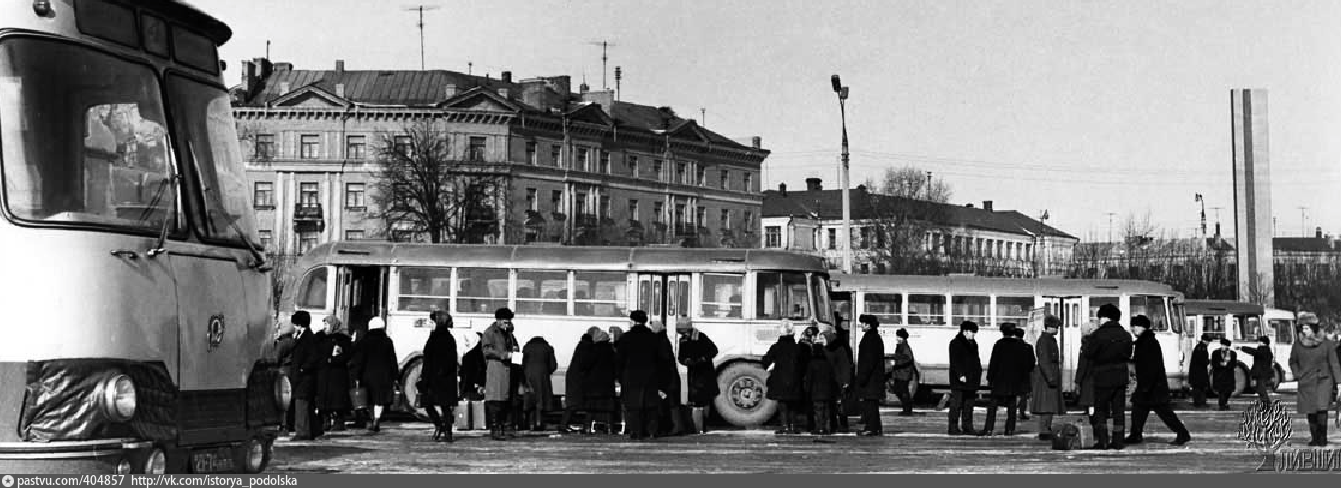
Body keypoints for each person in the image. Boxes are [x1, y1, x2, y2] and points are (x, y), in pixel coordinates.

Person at [1125, 315, 1191, 446]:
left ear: (1143, 327)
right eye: (1133, 326)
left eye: (1136, 326)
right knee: (1139, 410)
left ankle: (1182, 433)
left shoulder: (1148, 343)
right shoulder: (1145, 342)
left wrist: (1146, 386)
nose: (1134, 329)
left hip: (1152, 386)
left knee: (1164, 412)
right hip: (1149, 385)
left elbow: (1152, 366)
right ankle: (1135, 434)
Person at [614, 310, 674, 440]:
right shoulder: (653, 338)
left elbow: (619, 360)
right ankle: (652, 431)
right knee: (650, 405)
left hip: (631, 377)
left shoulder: (625, 338)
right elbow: (662, 360)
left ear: (633, 321)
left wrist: (619, 377)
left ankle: (636, 432)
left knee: (633, 406)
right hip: (651, 376)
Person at [1081, 304, 1133, 450]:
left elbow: (1088, 353)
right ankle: (1118, 441)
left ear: (1105, 317)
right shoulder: (1125, 335)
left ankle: (1103, 440)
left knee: (1101, 410)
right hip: (1120, 376)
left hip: (1102, 376)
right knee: (1118, 411)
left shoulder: (1098, 335)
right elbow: (1128, 354)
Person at [1289, 313, 1341, 447]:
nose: (1304, 331)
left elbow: (1334, 363)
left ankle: (1322, 438)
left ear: (1314, 328)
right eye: (1302, 328)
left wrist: (1339, 382)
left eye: (1306, 328)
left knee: (1321, 409)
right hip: (1306, 381)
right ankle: (1314, 437)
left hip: (1323, 381)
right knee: (1310, 410)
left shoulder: (1327, 344)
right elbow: (1293, 361)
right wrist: (1297, 374)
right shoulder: (1298, 345)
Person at [983, 323, 1033, 436]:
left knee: (993, 405)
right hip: (1014, 380)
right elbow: (1025, 365)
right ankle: (1010, 429)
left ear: (1002, 332)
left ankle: (989, 428)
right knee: (1012, 404)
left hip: (999, 380)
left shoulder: (998, 345)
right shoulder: (1020, 346)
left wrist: (989, 378)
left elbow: (993, 363)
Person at [349, 317, 398, 433]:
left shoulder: (364, 342)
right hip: (384, 375)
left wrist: (357, 375)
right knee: (379, 400)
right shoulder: (387, 341)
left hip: (368, 375)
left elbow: (359, 360)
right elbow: (392, 360)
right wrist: (395, 375)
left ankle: (371, 419)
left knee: (370, 399)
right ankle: (377, 419)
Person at [420, 311, 459, 442]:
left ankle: (440, 426)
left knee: (430, 404)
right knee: (445, 406)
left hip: (436, 378)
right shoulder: (447, 337)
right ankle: (447, 431)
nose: (429, 324)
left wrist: (428, 376)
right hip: (444, 378)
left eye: (432, 322)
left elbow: (428, 360)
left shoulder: (436, 338)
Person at [482, 308, 519, 441]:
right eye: (505, 322)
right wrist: (504, 354)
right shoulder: (490, 332)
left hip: (507, 370)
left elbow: (514, 345)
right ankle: (495, 428)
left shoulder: (508, 333)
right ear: (498, 321)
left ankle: (503, 427)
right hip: (496, 369)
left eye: (508, 322)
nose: (507, 324)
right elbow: (486, 351)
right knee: (495, 400)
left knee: (505, 401)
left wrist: (515, 349)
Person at [762, 320, 805, 435]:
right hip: (795, 379)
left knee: (783, 404)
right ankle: (793, 426)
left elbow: (765, 362)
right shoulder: (798, 348)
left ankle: (784, 426)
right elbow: (803, 364)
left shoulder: (776, 347)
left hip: (780, 380)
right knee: (793, 404)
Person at [679, 322, 720, 434]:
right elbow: (681, 356)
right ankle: (699, 428)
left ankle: (704, 426)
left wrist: (702, 359)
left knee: (704, 400)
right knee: (696, 402)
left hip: (704, 373)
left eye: (684, 332)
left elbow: (714, 351)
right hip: (693, 373)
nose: (683, 335)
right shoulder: (683, 340)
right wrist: (685, 361)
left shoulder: (701, 337)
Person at [288, 312, 323, 441]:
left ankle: (302, 432)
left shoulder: (308, 338)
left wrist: (303, 368)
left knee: (301, 404)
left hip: (305, 378)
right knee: (306, 405)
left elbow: (313, 356)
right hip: (303, 376)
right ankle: (314, 430)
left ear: (299, 324)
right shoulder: (303, 336)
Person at [316, 315, 353, 432]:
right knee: (324, 399)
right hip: (324, 374)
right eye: (325, 324)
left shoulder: (343, 339)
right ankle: (325, 421)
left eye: (327, 324)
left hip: (337, 374)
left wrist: (333, 360)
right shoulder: (320, 338)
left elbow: (347, 356)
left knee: (337, 400)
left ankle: (338, 421)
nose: (325, 327)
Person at [1030, 316, 1065, 441]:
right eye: (1057, 326)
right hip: (1046, 377)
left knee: (1048, 404)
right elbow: (1044, 361)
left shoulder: (1047, 339)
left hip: (1048, 375)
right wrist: (1050, 377)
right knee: (1046, 405)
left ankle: (1046, 428)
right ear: (1052, 326)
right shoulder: (1045, 340)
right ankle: (1044, 430)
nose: (1058, 329)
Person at [651, 320, 688, 436]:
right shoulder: (663, 339)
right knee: (671, 403)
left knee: (671, 404)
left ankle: (677, 427)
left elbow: (663, 362)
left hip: (667, 378)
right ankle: (675, 427)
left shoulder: (659, 341)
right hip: (670, 377)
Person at [947, 321, 982, 436]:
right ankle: (953, 428)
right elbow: (955, 361)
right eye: (972, 332)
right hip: (959, 381)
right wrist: (960, 375)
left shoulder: (973, 344)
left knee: (969, 404)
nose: (973, 335)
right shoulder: (955, 343)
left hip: (972, 379)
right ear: (965, 331)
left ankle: (968, 427)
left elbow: (976, 361)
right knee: (956, 404)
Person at [582, 327, 618, 434]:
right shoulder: (612, 351)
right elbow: (616, 366)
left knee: (591, 408)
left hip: (593, 384)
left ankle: (587, 428)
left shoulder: (592, 350)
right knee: (608, 408)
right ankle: (610, 428)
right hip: (607, 383)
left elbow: (585, 365)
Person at [855, 315, 886, 436]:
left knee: (869, 405)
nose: (861, 325)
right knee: (872, 404)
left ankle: (871, 428)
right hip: (874, 378)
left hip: (870, 379)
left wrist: (862, 378)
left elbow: (868, 361)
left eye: (863, 323)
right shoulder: (874, 337)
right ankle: (875, 427)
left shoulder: (870, 339)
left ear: (869, 325)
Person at [802, 326, 836, 435]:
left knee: (818, 410)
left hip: (816, 392)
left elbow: (809, 379)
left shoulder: (812, 364)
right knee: (826, 411)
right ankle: (827, 428)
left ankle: (819, 428)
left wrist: (807, 390)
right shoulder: (827, 363)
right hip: (827, 391)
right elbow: (832, 377)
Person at [559, 329, 594, 434]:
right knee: (581, 404)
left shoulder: (580, 348)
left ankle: (564, 425)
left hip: (574, 380)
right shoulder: (587, 349)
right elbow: (586, 365)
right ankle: (585, 427)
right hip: (579, 381)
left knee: (573, 405)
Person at [522, 335, 558, 431]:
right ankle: (539, 423)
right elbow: (553, 366)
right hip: (542, 378)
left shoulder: (526, 347)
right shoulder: (548, 348)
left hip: (528, 377)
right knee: (541, 400)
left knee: (529, 399)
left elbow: (522, 364)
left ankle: (527, 423)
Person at [824, 327, 854, 432]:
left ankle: (834, 425)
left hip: (833, 381)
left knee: (834, 404)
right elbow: (845, 366)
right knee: (840, 404)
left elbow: (844, 366)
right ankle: (843, 425)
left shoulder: (827, 350)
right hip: (839, 380)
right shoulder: (840, 348)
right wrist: (846, 381)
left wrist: (846, 381)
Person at [274, 322, 298, 435]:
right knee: (291, 400)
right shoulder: (295, 342)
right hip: (293, 373)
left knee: (282, 400)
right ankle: (292, 424)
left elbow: (276, 358)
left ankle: (284, 426)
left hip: (283, 372)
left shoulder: (283, 344)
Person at [1238, 336, 1275, 404]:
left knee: (1261, 388)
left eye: (1259, 341)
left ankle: (1266, 402)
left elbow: (1253, 351)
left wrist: (1242, 348)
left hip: (1261, 373)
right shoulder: (1266, 350)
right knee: (1260, 388)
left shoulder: (1264, 350)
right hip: (1263, 373)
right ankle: (1266, 402)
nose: (1258, 342)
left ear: (1263, 343)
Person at [889, 328, 917, 417]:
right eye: (897, 336)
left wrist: (896, 362)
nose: (897, 338)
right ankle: (907, 409)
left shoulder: (904, 347)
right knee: (899, 390)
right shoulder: (901, 345)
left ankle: (907, 409)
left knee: (902, 391)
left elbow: (908, 358)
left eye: (899, 337)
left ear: (903, 338)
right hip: (901, 373)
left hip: (903, 373)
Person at [1210, 338, 1239, 411]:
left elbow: (1234, 364)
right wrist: (1222, 364)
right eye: (1222, 345)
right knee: (1221, 391)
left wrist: (1226, 365)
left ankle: (1224, 403)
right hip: (1219, 375)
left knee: (1228, 391)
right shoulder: (1215, 353)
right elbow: (1214, 363)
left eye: (1225, 345)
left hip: (1228, 376)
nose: (1223, 346)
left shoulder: (1233, 354)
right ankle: (1222, 405)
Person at [459, 333, 486, 401]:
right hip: (474, 387)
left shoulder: (470, 354)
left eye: (467, 340)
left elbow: (479, 369)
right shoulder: (479, 353)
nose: (466, 343)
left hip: (470, 387)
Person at [1188, 334, 1213, 408]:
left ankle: (1199, 402)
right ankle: (1200, 403)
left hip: (1196, 372)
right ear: (1204, 341)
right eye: (1208, 341)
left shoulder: (1198, 347)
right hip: (1199, 372)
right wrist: (1208, 362)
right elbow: (1202, 360)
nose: (1209, 343)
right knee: (1200, 388)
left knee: (1198, 387)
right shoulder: (1202, 348)